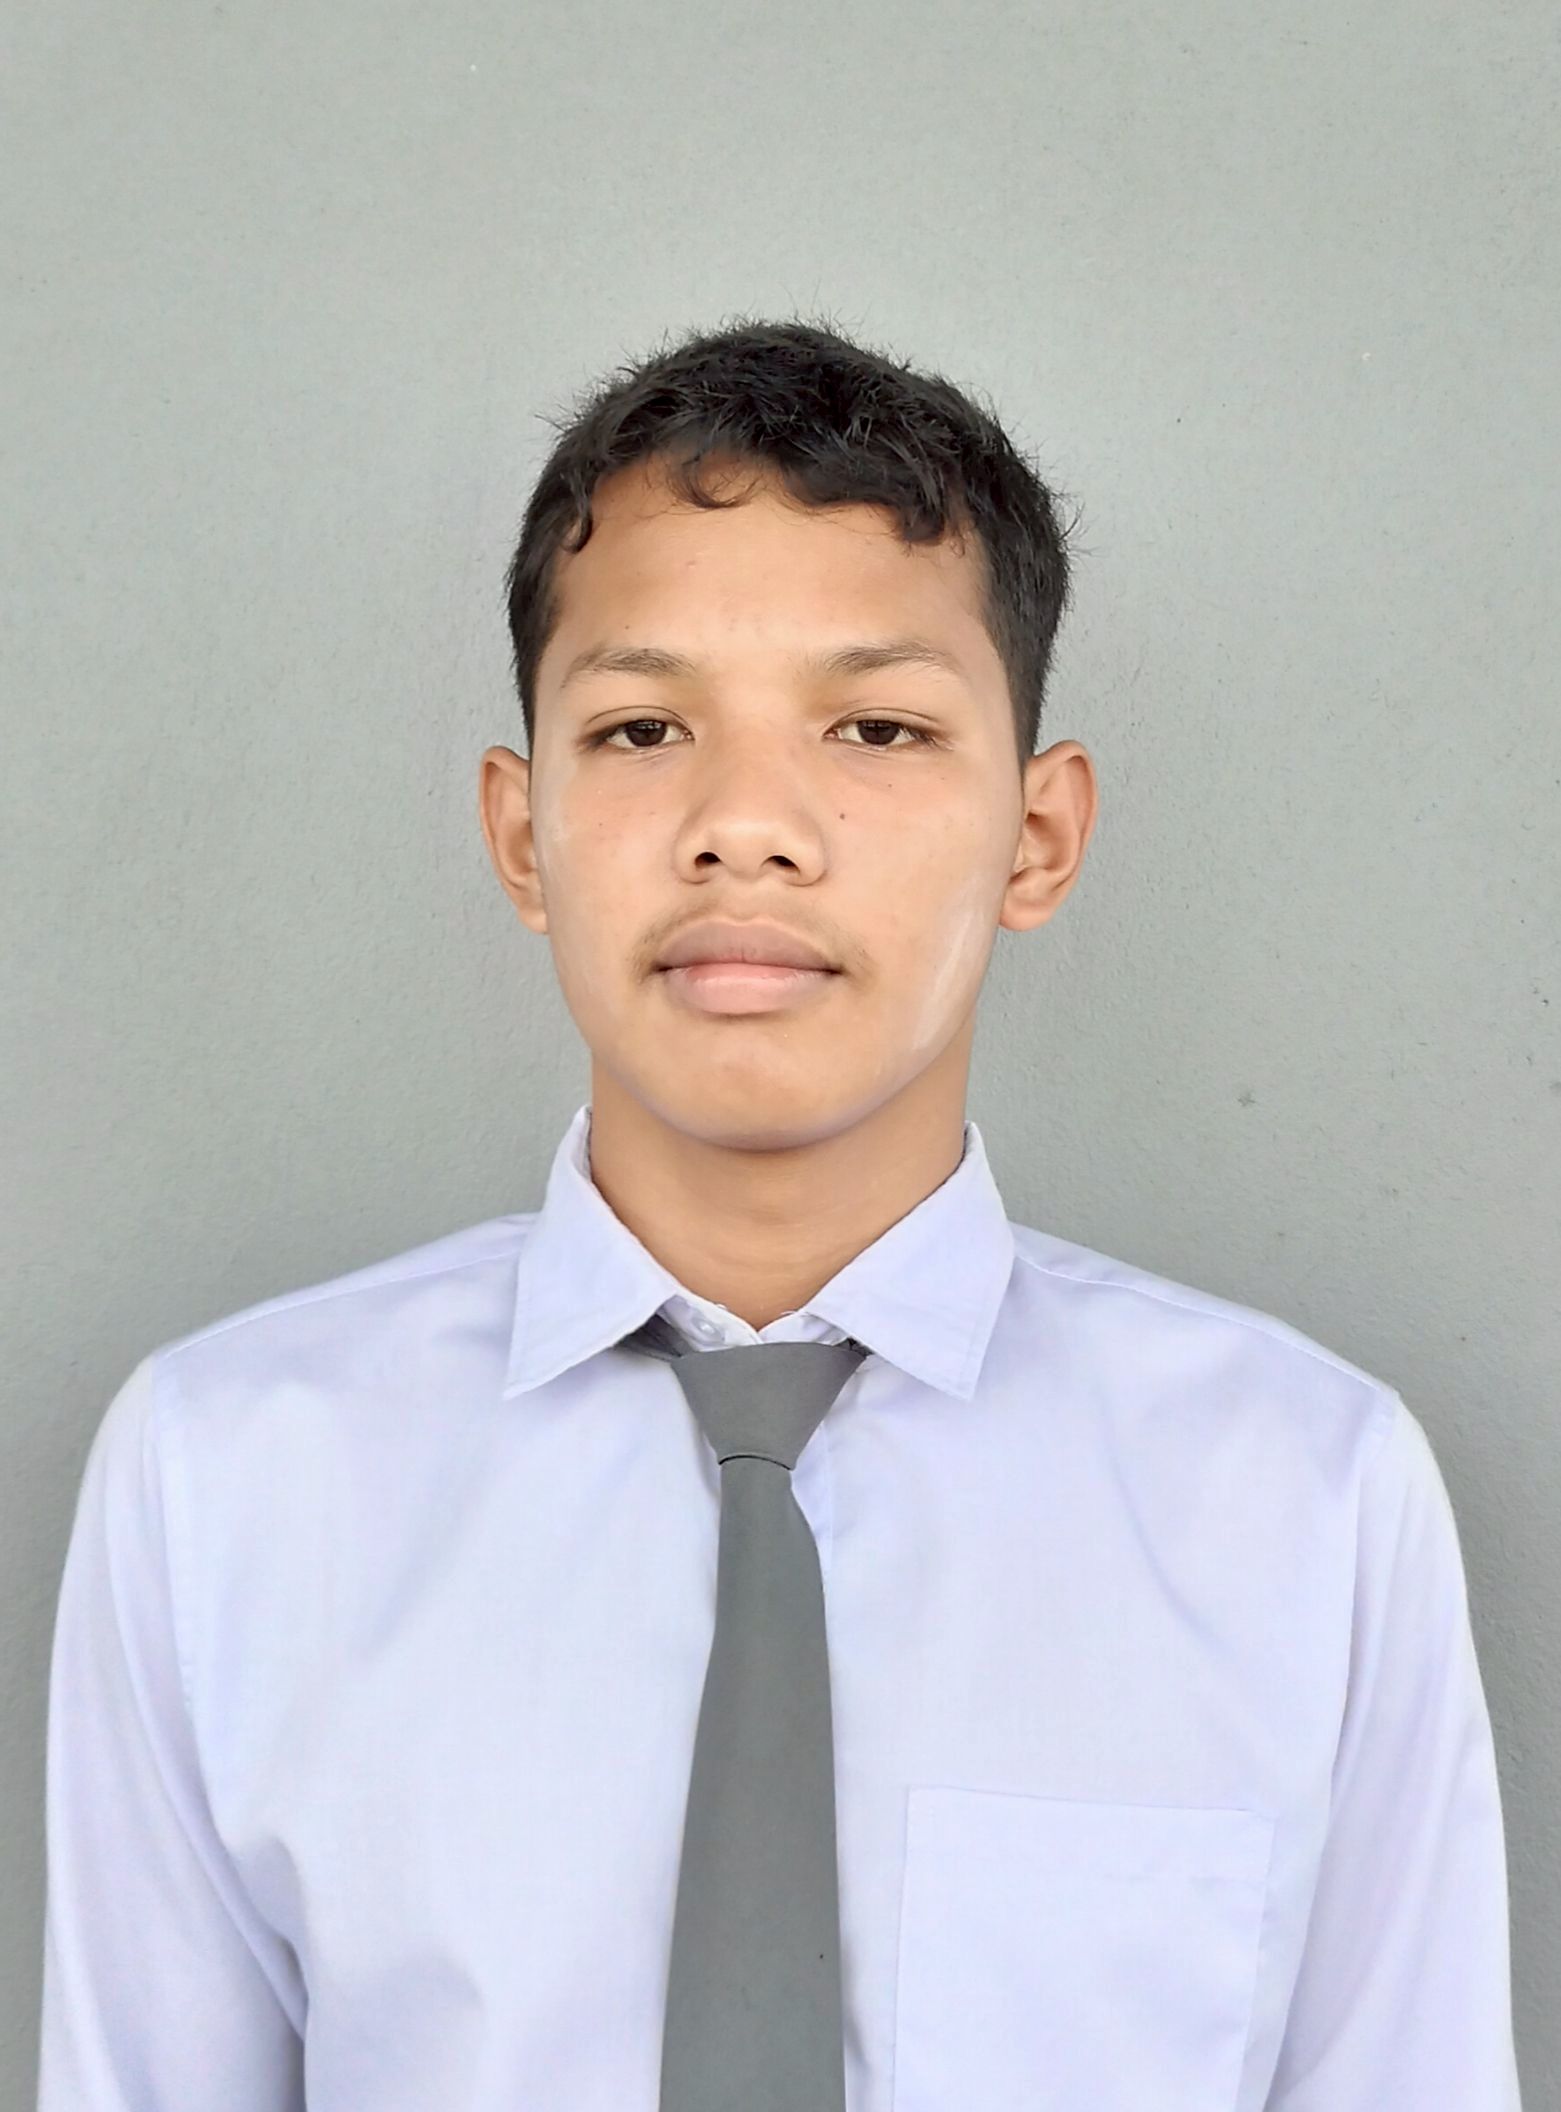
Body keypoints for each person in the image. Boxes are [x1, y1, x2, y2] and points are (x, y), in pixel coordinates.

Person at [36, 316, 1522, 2110]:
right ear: (520, 832)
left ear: (1038, 836)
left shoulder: (1303, 1499)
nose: (746, 826)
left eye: (877, 726)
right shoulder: (228, 1480)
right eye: (641, 727)